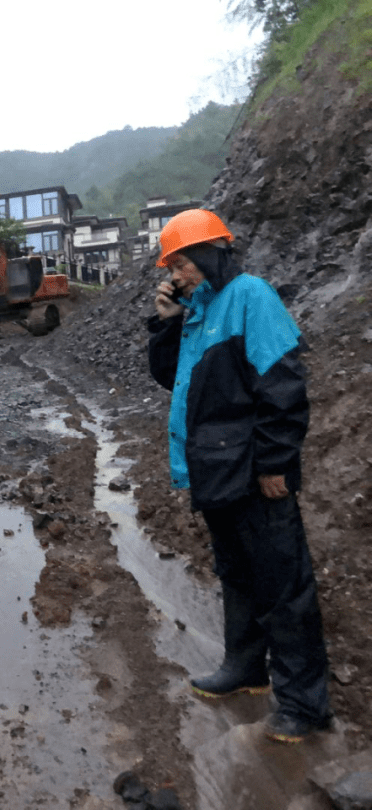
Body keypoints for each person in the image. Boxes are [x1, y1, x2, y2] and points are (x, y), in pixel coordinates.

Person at [146, 210, 332, 744]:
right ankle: (246, 668)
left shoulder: (251, 296)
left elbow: (283, 383)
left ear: (208, 255)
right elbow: (169, 378)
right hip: (217, 470)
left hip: (253, 471)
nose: (176, 275)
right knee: (238, 573)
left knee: (282, 584)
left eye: (180, 264)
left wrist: (275, 462)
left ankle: (303, 704)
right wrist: (165, 323)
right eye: (173, 267)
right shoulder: (199, 310)